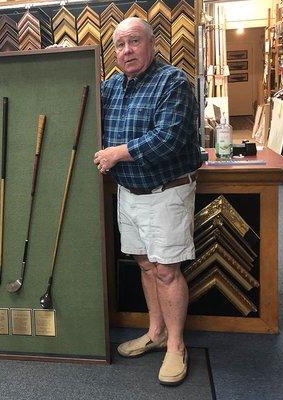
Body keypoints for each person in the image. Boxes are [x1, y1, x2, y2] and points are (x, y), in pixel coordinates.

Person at [93, 17, 201, 386]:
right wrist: (64, 59)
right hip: (129, 193)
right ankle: (155, 333)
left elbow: (169, 138)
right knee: (145, 266)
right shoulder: (111, 86)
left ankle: (176, 346)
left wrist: (118, 153)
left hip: (166, 192)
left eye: (134, 42)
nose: (127, 51)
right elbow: (83, 92)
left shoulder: (172, 82)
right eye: (120, 45)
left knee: (167, 270)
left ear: (151, 44)